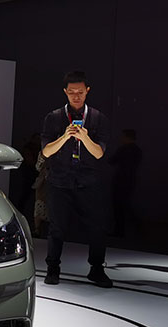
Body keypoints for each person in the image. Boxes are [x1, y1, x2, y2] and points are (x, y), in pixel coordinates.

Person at [40, 71, 111, 287]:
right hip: (59, 180)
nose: (76, 96)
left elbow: (99, 153)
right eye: (71, 92)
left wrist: (85, 138)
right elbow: (46, 151)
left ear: (87, 91)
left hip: (88, 180)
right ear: (65, 92)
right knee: (56, 228)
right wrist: (65, 136)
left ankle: (96, 269)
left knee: (97, 227)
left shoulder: (98, 118)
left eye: (80, 92)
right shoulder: (53, 117)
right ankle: (53, 269)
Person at [108, 129, 142, 237]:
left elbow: (112, 161)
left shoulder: (123, 149)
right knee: (125, 204)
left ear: (127, 137)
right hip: (130, 179)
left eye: (123, 136)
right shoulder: (137, 150)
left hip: (121, 180)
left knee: (119, 205)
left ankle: (120, 230)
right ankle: (136, 228)